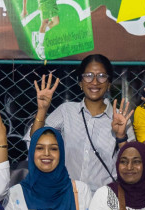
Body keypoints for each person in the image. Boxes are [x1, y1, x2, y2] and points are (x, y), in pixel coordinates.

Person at [29, 56, 132, 189]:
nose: (95, 82)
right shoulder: (66, 111)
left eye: (101, 76)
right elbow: (34, 141)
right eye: (88, 76)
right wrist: (42, 110)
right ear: (80, 83)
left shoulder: (120, 118)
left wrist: (121, 137)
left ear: (109, 84)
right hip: (67, 195)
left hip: (103, 198)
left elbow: (132, 163)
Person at [7, 126, 91, 210]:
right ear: (32, 152)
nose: (46, 153)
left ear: (62, 153)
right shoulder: (15, 194)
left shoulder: (81, 191)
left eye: (53, 148)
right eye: (40, 148)